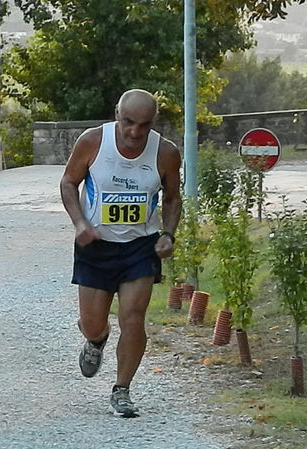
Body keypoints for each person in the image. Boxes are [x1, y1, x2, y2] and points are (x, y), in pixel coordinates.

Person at [60, 89, 182, 417]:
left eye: (144, 125)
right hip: (95, 244)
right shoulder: (93, 142)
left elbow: (172, 198)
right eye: (128, 122)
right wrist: (80, 222)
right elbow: (69, 182)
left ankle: (122, 390)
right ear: (117, 114)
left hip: (140, 247)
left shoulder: (166, 153)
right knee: (91, 323)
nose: (135, 132)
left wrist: (168, 234)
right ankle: (96, 339)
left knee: (133, 318)